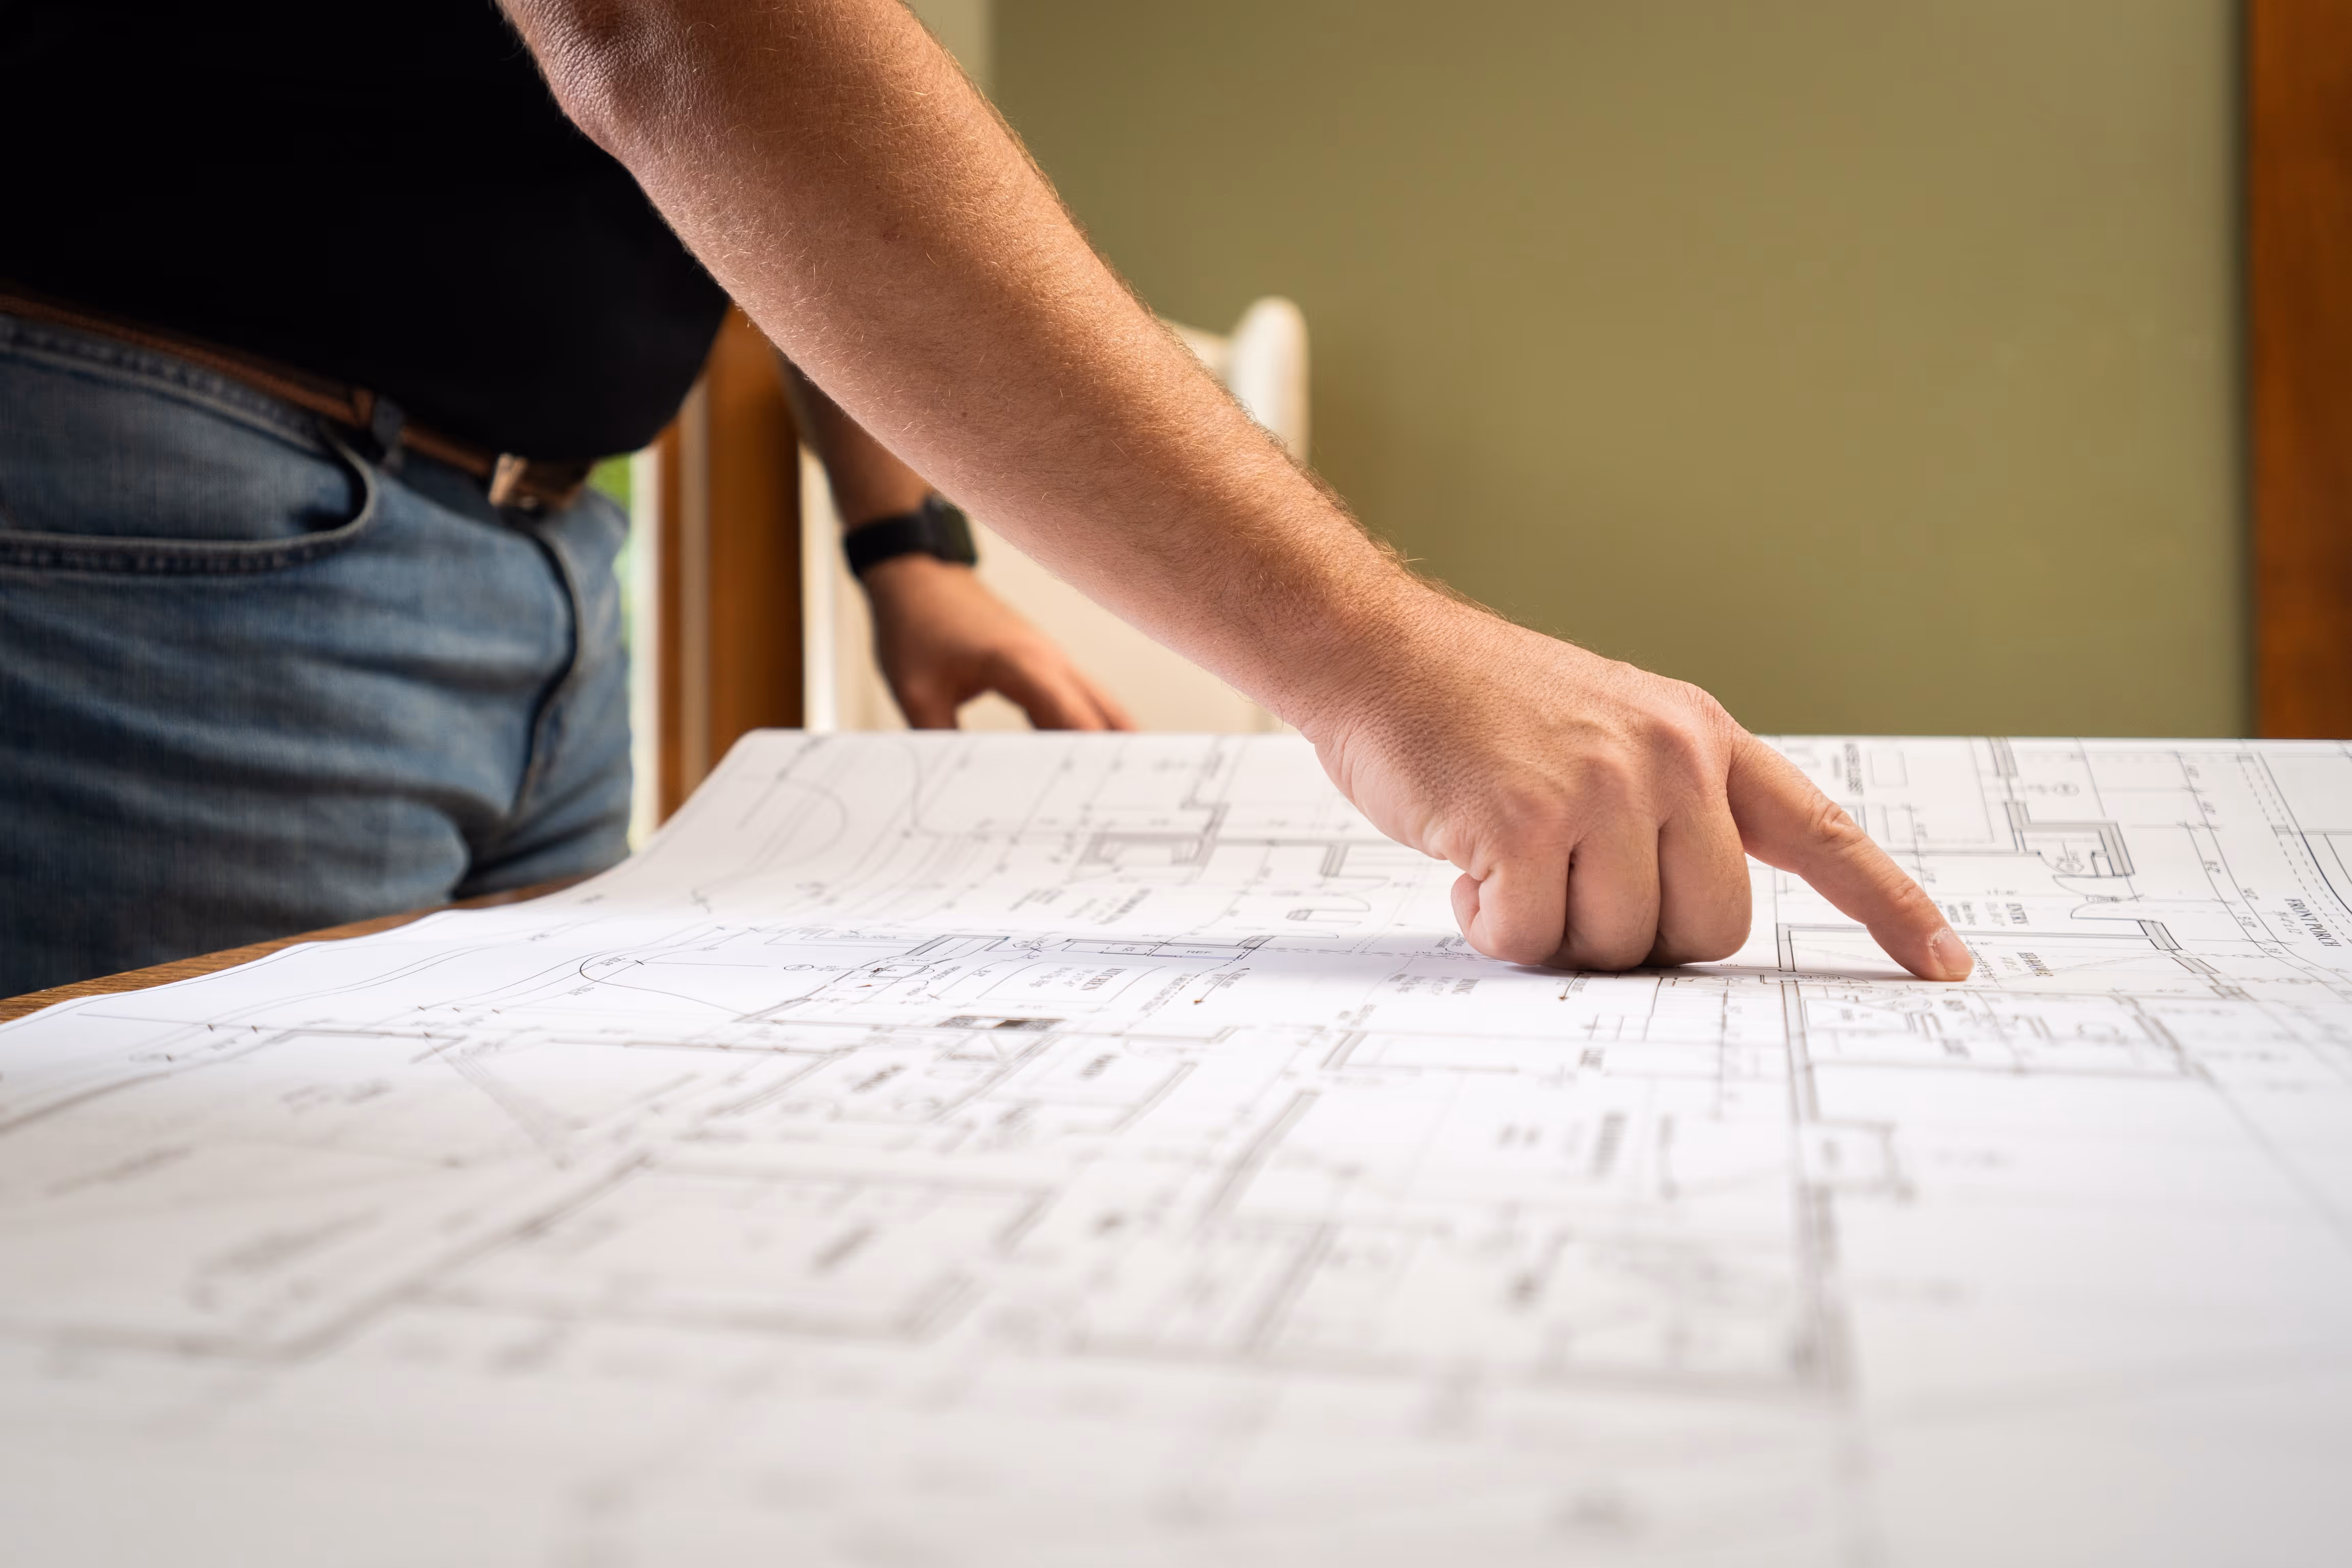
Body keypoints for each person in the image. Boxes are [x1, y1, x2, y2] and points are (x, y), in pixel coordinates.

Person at [0, 0, 1971, 996]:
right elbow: (685, 41)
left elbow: (751, 168)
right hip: (160, 535)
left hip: (536, 561)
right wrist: (1381, 657)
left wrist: (903, 550)